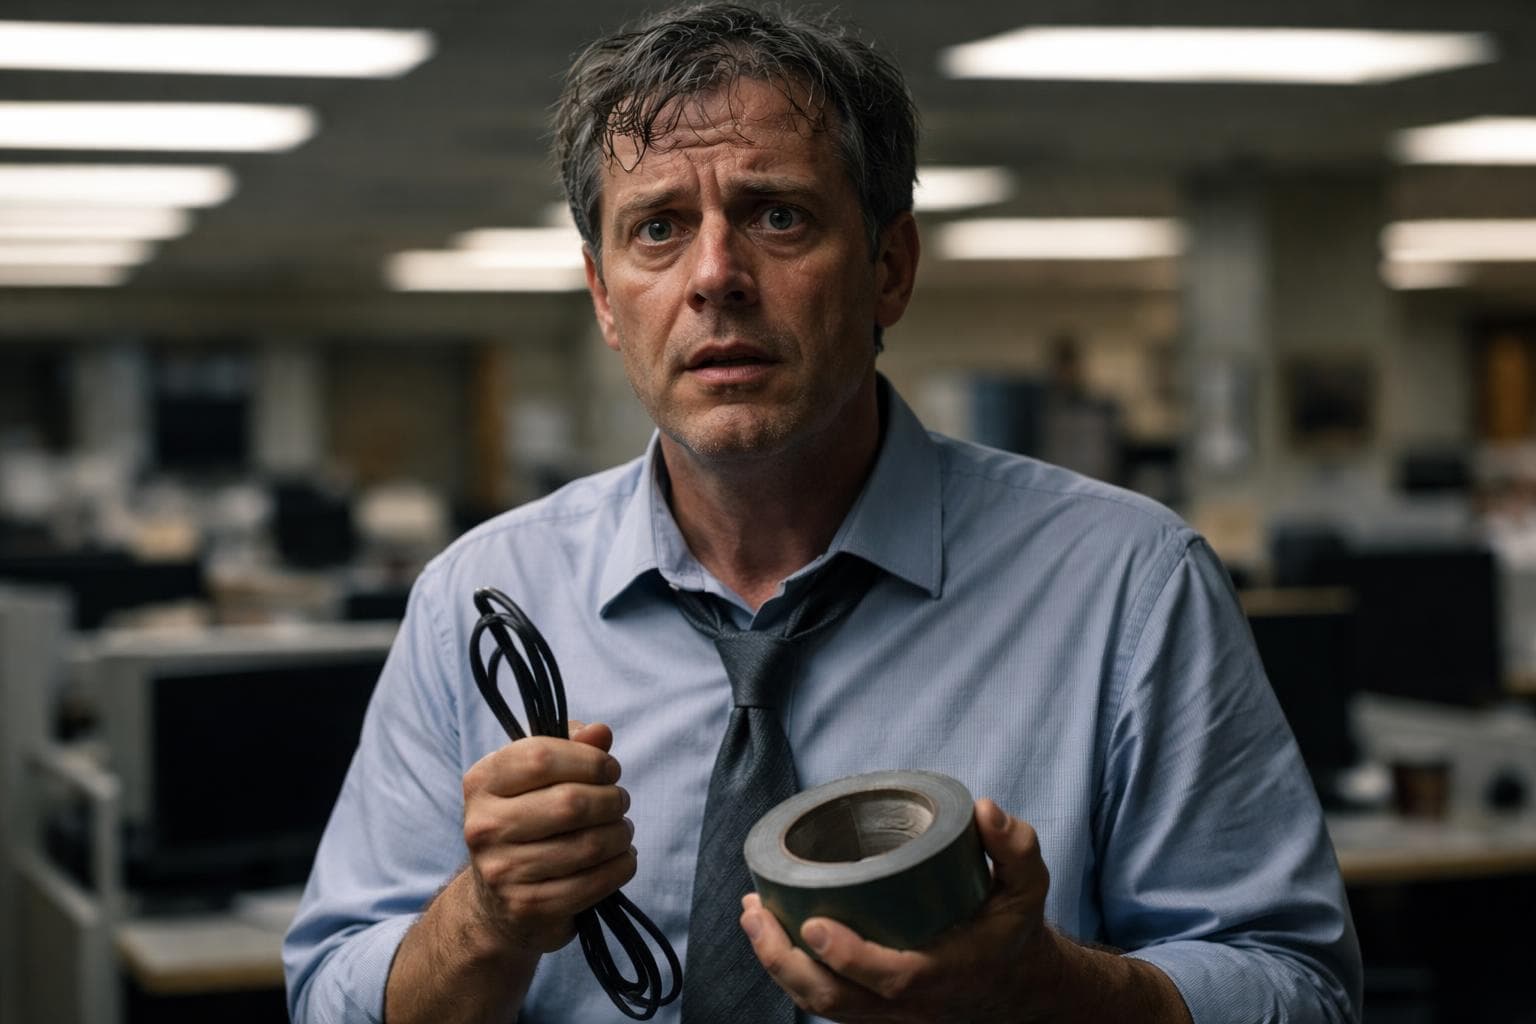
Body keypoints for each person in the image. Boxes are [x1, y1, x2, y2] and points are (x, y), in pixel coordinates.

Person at [284, 4, 1362, 1022]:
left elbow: (1302, 987)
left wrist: (1047, 993)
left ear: (890, 267)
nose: (716, 276)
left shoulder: (1128, 584)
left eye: (778, 216)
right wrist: (484, 920)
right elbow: (328, 993)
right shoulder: (478, 599)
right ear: (605, 298)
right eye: (657, 229)